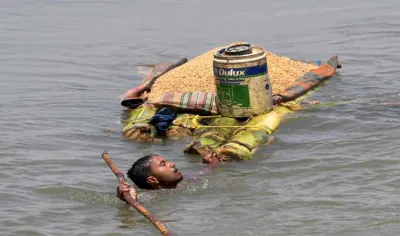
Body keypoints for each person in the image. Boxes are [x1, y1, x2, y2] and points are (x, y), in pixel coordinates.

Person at [116, 153, 219, 201]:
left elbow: (205, 171)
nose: (172, 164)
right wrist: (131, 199)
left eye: (167, 161)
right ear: (153, 180)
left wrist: (211, 163)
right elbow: (134, 212)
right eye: (163, 164)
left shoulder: (183, 182)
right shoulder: (152, 197)